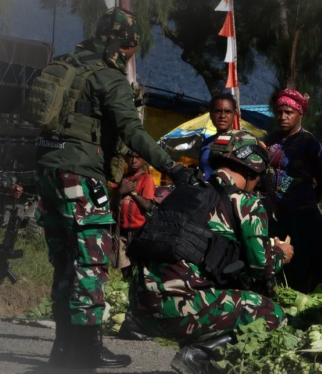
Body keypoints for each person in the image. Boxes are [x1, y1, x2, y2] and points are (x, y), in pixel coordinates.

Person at [31, 8, 196, 369]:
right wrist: (172, 168)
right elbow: (132, 132)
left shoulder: (68, 64)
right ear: (125, 43)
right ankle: (87, 350)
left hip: (46, 170)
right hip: (79, 173)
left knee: (64, 263)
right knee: (90, 262)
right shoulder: (108, 77)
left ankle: (62, 349)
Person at [130, 132, 293, 374]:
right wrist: (281, 252)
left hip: (139, 308)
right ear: (252, 169)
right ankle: (199, 355)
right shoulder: (246, 203)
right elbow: (263, 267)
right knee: (271, 313)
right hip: (178, 312)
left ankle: (200, 354)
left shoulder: (185, 193)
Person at [265, 88, 322, 292]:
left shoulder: (309, 143)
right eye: (279, 112)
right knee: (277, 257)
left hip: (303, 212)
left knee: (303, 259)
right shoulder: (270, 140)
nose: (283, 117)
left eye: (288, 112)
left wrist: (310, 201)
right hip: (276, 213)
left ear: (301, 114)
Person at [112, 152, 154, 279]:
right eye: (131, 157)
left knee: (141, 264)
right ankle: (126, 284)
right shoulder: (122, 179)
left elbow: (147, 205)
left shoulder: (146, 179)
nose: (134, 161)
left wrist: (132, 192)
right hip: (122, 229)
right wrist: (120, 191)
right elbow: (113, 204)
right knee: (124, 263)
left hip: (138, 229)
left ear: (144, 159)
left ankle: (139, 288)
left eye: (138, 157)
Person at [199, 93, 240, 180]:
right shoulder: (206, 143)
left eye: (228, 111)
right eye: (218, 111)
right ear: (210, 114)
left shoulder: (243, 141)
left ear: (235, 114)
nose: (222, 116)